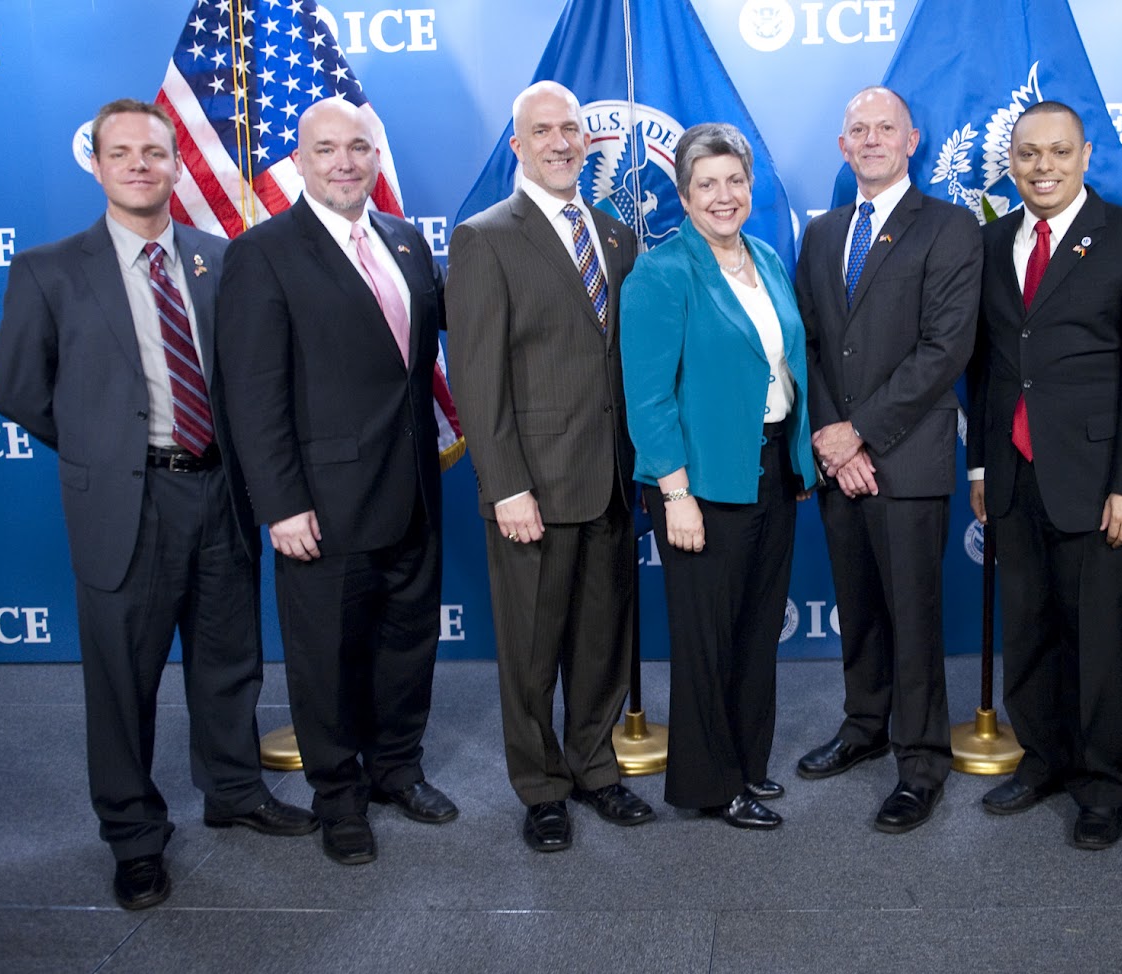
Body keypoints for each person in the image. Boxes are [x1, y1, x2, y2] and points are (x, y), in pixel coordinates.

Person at [0, 99, 315, 910]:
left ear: (177, 164)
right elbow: (16, 389)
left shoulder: (219, 258)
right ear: (96, 165)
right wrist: (105, 451)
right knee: (121, 681)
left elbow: (252, 376)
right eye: (122, 152)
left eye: (156, 152)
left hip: (219, 493)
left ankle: (235, 793)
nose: (141, 164)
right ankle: (135, 835)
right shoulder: (48, 268)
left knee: (229, 660)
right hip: (126, 502)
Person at [216, 97, 456, 867]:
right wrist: (280, 505)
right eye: (327, 150)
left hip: (415, 485)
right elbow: (252, 394)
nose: (346, 162)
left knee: (407, 640)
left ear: (377, 157)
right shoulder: (263, 252)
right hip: (321, 503)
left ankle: (396, 770)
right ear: (300, 159)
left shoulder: (408, 241)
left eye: (359, 147)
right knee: (325, 658)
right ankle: (339, 797)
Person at [447, 81, 653, 853]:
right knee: (532, 652)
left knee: (600, 641)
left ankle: (596, 768)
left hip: (609, 482)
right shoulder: (485, 237)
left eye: (572, 129)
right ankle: (541, 790)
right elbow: (477, 377)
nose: (562, 142)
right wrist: (505, 486)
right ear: (518, 146)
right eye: (544, 131)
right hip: (531, 486)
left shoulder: (616, 234)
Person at [965, 102, 1122, 849]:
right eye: (1028, 154)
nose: (1042, 166)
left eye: (1058, 151)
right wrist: (983, 463)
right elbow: (991, 366)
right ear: (1012, 161)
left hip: (1099, 481)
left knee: (1094, 643)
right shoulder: (991, 243)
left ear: (1086, 155)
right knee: (1028, 632)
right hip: (1017, 475)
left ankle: (1100, 786)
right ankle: (1045, 760)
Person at [794, 86, 981, 833]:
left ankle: (921, 760)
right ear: (843, 146)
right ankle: (864, 725)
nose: (871, 140)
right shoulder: (823, 233)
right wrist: (831, 439)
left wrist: (859, 433)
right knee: (860, 607)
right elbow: (808, 345)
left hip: (906, 459)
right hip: (841, 462)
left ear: (913, 140)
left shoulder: (950, 227)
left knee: (912, 614)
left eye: (886, 128)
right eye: (858, 130)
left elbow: (945, 350)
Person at [622, 122, 819, 830]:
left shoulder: (764, 257)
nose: (724, 194)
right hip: (700, 483)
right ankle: (710, 784)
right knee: (707, 637)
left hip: (771, 468)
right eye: (707, 184)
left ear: (750, 185)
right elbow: (647, 398)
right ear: (682, 194)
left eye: (734, 180)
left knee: (757, 628)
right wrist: (674, 494)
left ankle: (746, 762)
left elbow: (785, 365)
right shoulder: (663, 272)